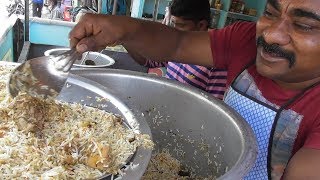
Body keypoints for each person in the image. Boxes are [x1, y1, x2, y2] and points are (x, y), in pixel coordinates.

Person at [69, 0, 320, 179]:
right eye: (270, 12)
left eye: (305, 25)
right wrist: (124, 28)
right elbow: (178, 44)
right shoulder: (244, 40)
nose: (273, 35)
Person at [127, 0, 227, 99]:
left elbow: (214, 108)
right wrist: (125, 40)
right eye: (173, 23)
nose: (174, 30)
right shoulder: (174, 46)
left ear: (201, 25)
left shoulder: (216, 62)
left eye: (181, 25)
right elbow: (148, 62)